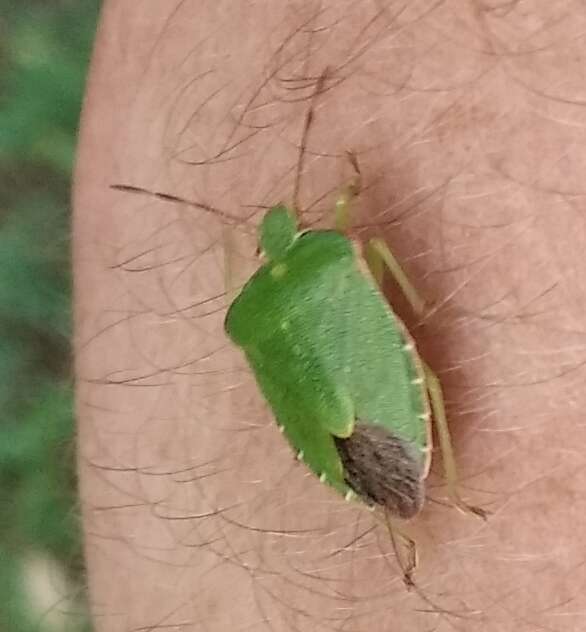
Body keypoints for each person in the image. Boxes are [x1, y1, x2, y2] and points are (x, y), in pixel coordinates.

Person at [74, 4, 586, 630]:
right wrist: (416, 300)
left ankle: (409, 516)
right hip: (354, 346)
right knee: (426, 380)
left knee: (415, 387)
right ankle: (450, 487)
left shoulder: (255, 313)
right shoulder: (336, 253)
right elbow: (369, 248)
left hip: (318, 409)